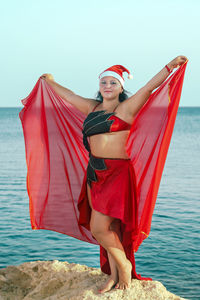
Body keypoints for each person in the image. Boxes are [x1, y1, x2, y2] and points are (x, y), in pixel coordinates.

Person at [36, 56, 187, 293]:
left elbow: (149, 87)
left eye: (113, 83)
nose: (107, 86)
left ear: (121, 87)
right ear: (99, 86)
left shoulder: (126, 108)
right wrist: (52, 81)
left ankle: (125, 267)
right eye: (104, 82)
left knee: (99, 227)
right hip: (95, 172)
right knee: (110, 228)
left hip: (117, 173)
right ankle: (114, 275)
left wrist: (170, 66)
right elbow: (70, 96)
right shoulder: (92, 108)